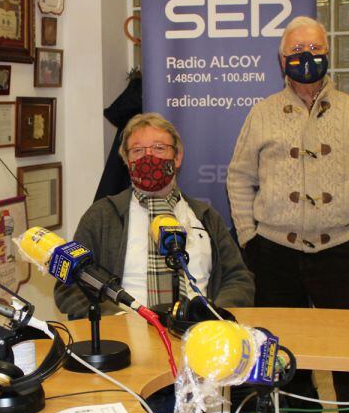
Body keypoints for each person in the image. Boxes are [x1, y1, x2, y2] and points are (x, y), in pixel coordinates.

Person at [226, 16, 349, 413]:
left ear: (327, 52)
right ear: (282, 60)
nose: (306, 58)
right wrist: (248, 237)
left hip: (341, 250)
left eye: (314, 49)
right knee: (284, 346)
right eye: (296, 51)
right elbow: (238, 178)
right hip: (274, 250)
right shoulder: (262, 112)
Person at [55, 112, 253, 319]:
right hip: (126, 334)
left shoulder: (205, 216)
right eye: (138, 150)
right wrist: (115, 319)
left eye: (159, 148)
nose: (148, 158)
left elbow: (238, 278)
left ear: (177, 157)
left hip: (198, 332)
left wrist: (213, 315)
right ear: (126, 160)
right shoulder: (101, 216)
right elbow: (68, 287)